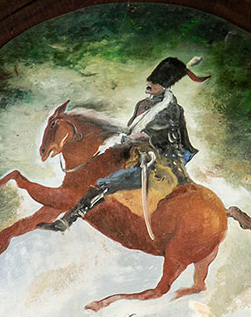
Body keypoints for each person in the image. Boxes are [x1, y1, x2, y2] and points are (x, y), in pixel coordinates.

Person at [37, 56, 208, 232]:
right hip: (138, 150)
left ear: (164, 87)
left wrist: (124, 139)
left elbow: (149, 135)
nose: (149, 84)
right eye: (150, 80)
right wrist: (114, 140)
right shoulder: (143, 104)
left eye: (154, 83)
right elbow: (130, 129)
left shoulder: (171, 109)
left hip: (160, 159)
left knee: (106, 183)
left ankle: (66, 221)